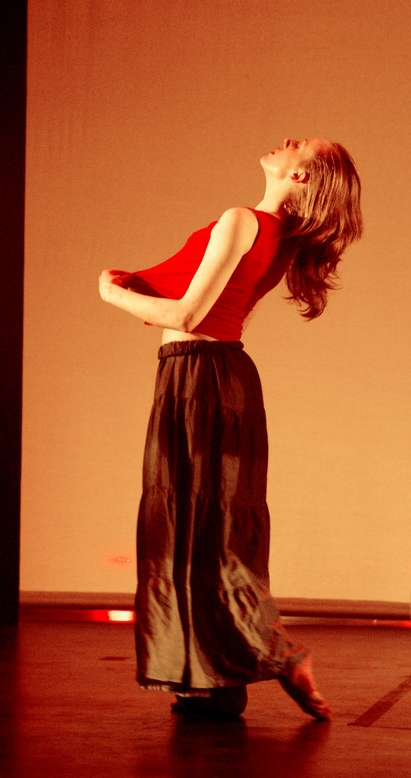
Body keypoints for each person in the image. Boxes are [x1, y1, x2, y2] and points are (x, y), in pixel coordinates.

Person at [99, 138, 362, 721]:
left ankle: (272, 655)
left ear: (301, 174)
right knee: (208, 530)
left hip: (199, 374)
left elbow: (187, 315)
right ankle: (215, 680)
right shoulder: (276, 235)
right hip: (213, 374)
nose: (288, 141)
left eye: (301, 145)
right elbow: (203, 307)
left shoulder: (244, 221)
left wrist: (109, 292)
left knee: (190, 527)